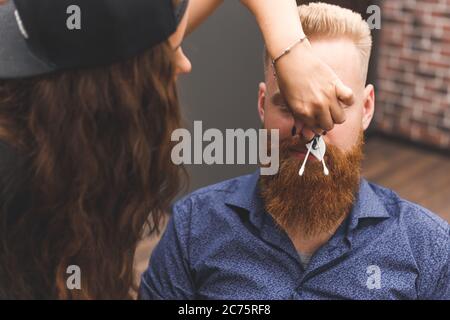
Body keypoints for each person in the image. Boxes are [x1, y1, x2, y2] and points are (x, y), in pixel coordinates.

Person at [0, 0, 353, 299]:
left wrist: (291, 47)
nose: (185, 64)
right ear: (119, 91)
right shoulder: (16, 190)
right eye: (170, 54)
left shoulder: (67, 74)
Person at [139, 3, 450, 300]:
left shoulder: (427, 247)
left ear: (366, 108)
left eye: (333, 107)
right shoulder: (194, 227)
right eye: (289, 105)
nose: (310, 129)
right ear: (263, 104)